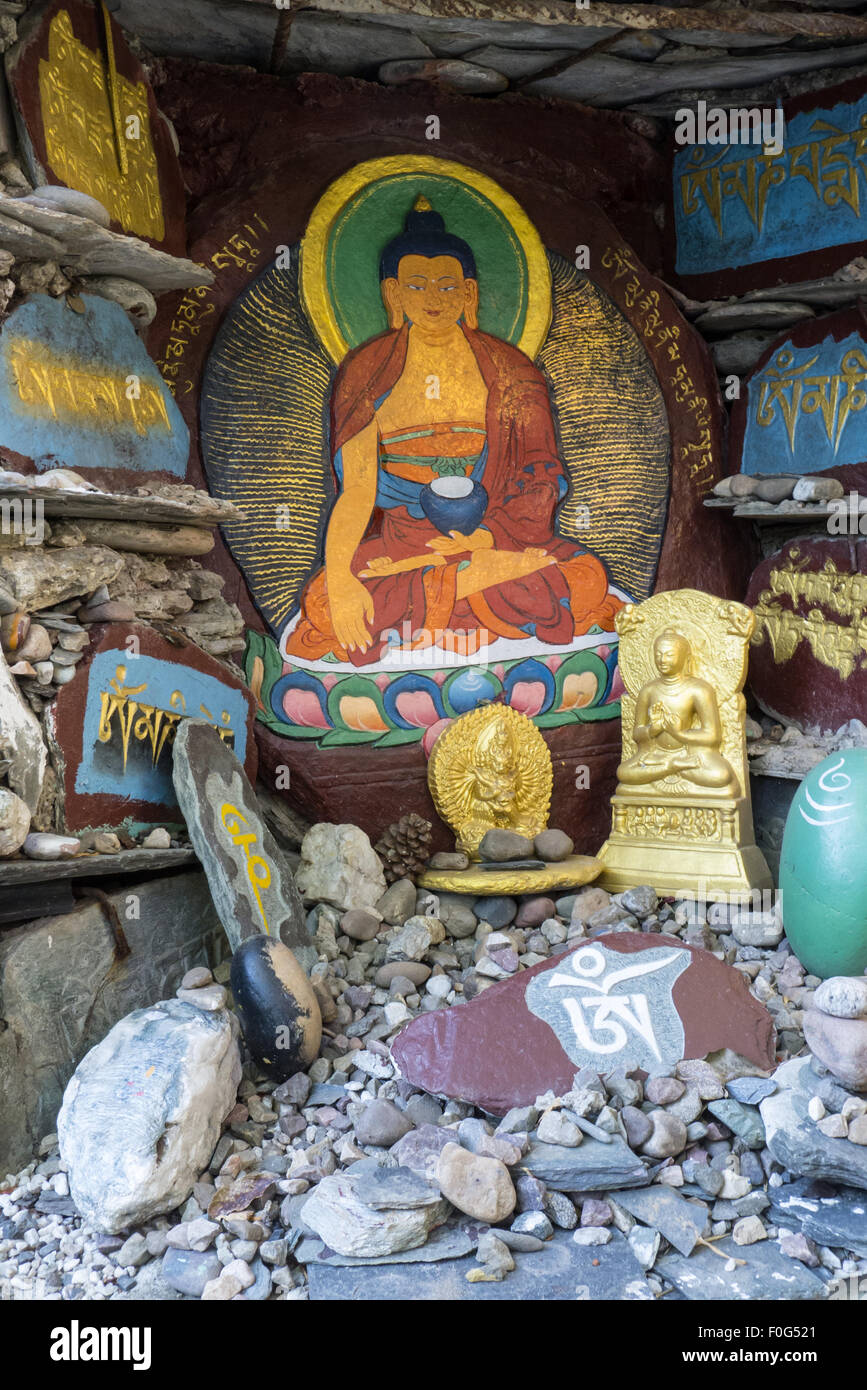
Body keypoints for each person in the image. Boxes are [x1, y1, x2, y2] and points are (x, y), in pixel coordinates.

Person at [286, 196, 624, 666]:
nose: (432, 299)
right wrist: (343, 580)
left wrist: (488, 538)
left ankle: (460, 588)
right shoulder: (367, 371)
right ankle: (467, 584)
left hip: (499, 536)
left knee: (587, 578)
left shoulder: (510, 369)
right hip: (403, 544)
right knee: (324, 600)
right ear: (393, 293)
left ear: (469, 293)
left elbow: (540, 475)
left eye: (447, 287)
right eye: (417, 286)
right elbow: (358, 491)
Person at [617, 628, 737, 792]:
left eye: (669, 655)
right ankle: (672, 766)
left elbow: (712, 736)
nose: (662, 660)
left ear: (685, 658)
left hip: (690, 752)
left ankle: (668, 766)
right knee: (623, 773)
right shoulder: (648, 690)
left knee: (720, 775)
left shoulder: (699, 690)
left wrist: (678, 733)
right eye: (658, 655)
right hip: (656, 753)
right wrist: (653, 729)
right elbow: (636, 733)